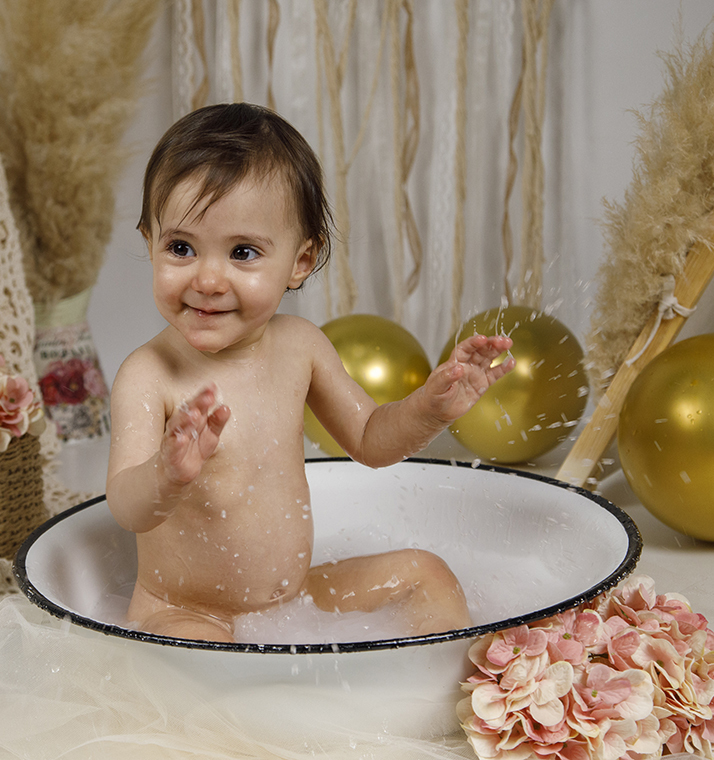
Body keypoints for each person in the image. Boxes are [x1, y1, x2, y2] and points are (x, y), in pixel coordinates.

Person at [106, 102, 515, 643]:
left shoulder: (301, 347)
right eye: (180, 247)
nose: (207, 278)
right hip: (186, 609)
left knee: (425, 570)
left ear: (300, 261)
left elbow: (371, 440)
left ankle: (435, 688)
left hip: (294, 597)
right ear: (148, 241)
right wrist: (166, 474)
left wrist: (430, 407)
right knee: (214, 662)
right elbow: (126, 507)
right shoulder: (148, 374)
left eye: (243, 252)